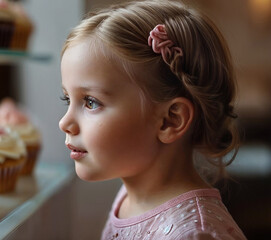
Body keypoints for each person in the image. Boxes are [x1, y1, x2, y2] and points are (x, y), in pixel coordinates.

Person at [58, 0, 246, 239]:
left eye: (90, 102)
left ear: (170, 120)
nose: (64, 123)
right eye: (67, 99)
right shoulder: (128, 196)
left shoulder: (194, 233)